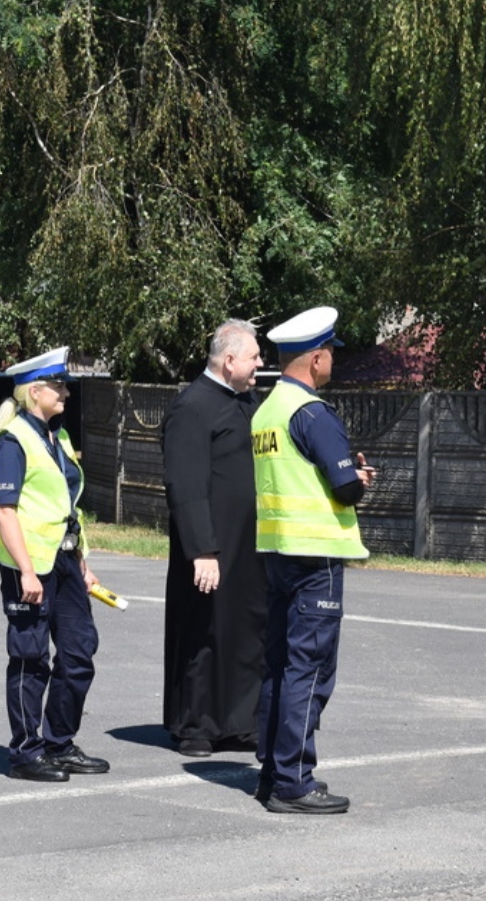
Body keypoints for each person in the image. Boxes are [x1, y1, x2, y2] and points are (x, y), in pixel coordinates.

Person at [251, 306, 374, 814]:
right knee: (311, 669)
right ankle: (294, 781)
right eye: (331, 355)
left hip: (278, 552)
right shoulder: (312, 413)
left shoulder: (266, 413)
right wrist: (358, 480)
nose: (333, 363)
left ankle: (272, 771)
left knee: (280, 666)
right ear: (316, 358)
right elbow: (344, 487)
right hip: (316, 556)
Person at [0, 347, 109, 782]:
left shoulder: (59, 437)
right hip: (29, 565)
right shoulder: (11, 440)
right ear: (34, 391)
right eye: (59, 386)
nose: (66, 393)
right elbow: (4, 511)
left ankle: (60, 743)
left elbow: (65, 506)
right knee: (30, 657)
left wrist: (82, 563)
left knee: (79, 651)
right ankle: (26, 753)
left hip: (64, 559)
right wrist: (26, 570)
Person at [160, 319, 268, 757]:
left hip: (249, 544)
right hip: (211, 545)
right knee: (204, 630)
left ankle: (240, 722)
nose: (260, 363)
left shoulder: (248, 402)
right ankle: (196, 725)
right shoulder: (193, 406)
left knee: (246, 627)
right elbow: (185, 483)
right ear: (229, 361)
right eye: (254, 357)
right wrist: (202, 549)